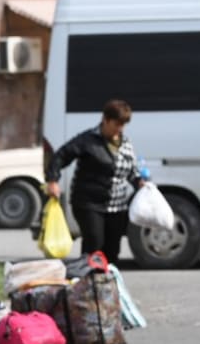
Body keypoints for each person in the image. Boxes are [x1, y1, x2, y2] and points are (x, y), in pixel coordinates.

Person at [45, 99, 145, 265]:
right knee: (94, 245)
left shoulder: (125, 143)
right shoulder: (87, 140)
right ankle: (88, 285)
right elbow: (61, 156)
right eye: (116, 124)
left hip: (117, 206)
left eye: (123, 125)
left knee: (112, 250)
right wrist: (53, 180)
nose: (119, 129)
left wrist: (140, 183)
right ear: (105, 120)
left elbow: (131, 171)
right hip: (89, 203)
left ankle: (106, 285)